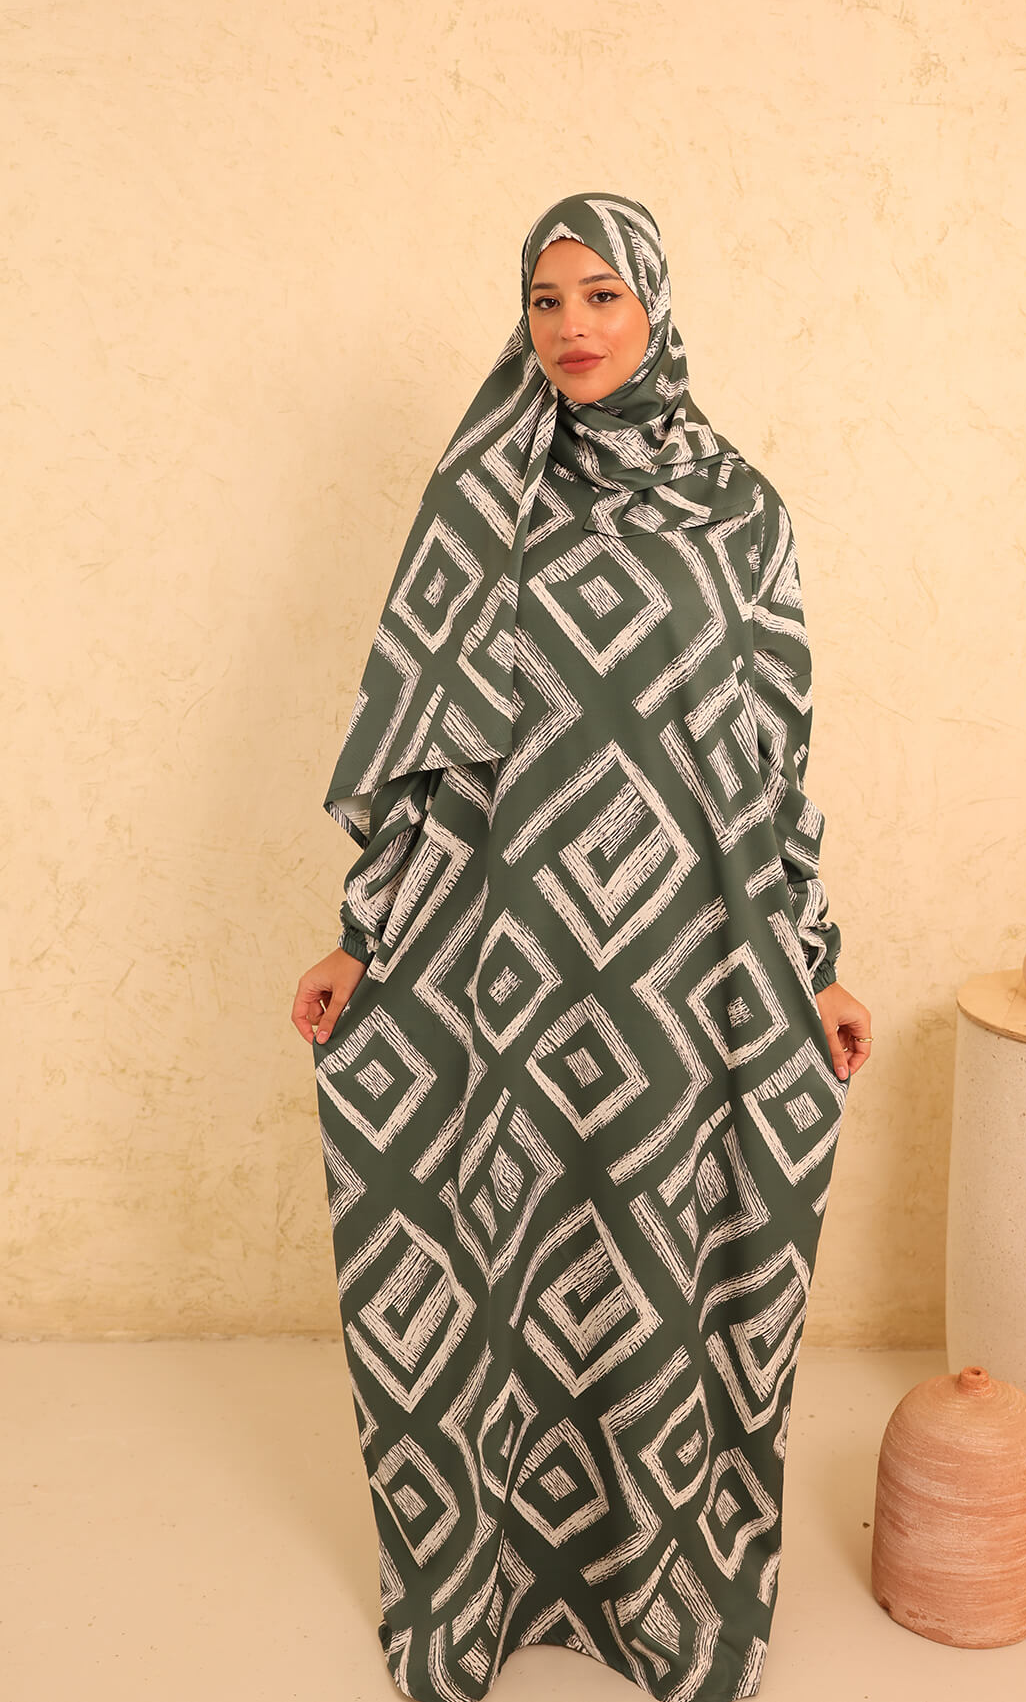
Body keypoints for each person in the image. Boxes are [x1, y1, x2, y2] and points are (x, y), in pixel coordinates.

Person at [290, 190, 873, 1702]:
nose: (571, 328)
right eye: (546, 301)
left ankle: (655, 1576)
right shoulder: (483, 501)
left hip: (684, 960)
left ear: (655, 307)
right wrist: (364, 935)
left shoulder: (742, 514)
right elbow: (432, 755)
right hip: (508, 958)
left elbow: (771, 757)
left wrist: (813, 957)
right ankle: (491, 1580)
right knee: (508, 1244)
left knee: (655, 1235)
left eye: (601, 296)